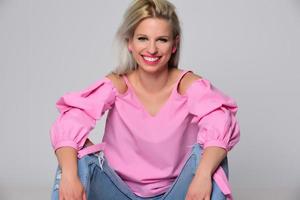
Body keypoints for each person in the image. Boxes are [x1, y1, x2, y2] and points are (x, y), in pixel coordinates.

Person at [49, 0, 240, 200]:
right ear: (129, 42)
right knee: (73, 152)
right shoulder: (118, 85)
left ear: (174, 44)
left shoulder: (188, 86)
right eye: (142, 38)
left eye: (162, 40)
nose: (152, 49)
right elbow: (70, 122)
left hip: (178, 193)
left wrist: (202, 175)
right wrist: (69, 176)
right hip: (118, 192)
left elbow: (220, 122)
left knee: (212, 152)